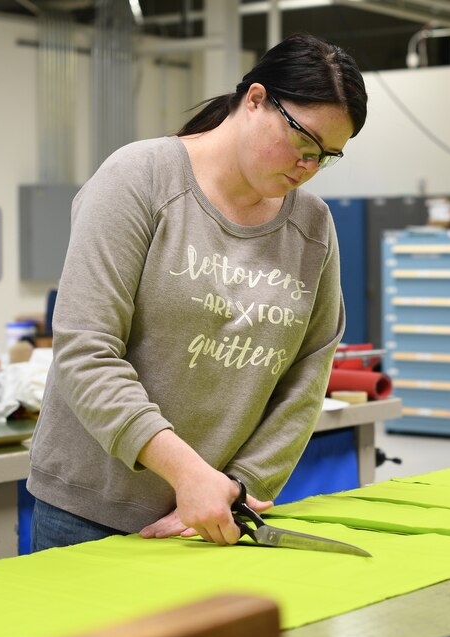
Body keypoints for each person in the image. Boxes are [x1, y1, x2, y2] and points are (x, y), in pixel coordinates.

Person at [25, 33, 367, 552]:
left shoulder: (312, 227)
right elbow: (85, 351)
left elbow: (307, 375)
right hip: (91, 514)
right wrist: (188, 475)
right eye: (303, 143)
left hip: (216, 519)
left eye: (327, 157)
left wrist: (240, 486)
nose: (308, 168)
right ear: (255, 100)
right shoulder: (139, 180)